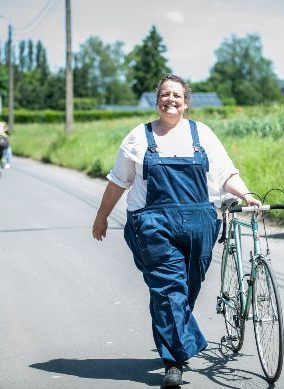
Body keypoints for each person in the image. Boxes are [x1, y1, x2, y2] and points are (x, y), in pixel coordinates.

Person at [92, 74, 261, 387]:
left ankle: (174, 339)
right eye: (165, 94)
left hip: (200, 224)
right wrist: (102, 216)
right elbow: (118, 181)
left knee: (187, 289)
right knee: (170, 289)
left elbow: (225, 174)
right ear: (157, 100)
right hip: (152, 224)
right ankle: (174, 363)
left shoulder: (203, 134)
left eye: (177, 95)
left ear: (186, 102)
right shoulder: (138, 138)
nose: (170, 100)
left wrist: (246, 194)